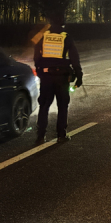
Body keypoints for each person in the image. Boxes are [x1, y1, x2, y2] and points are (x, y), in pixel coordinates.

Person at [33, 13, 83, 144]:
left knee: (44, 106)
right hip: (62, 77)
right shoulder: (66, 37)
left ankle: (40, 136)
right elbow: (75, 59)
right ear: (62, 22)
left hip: (46, 77)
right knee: (62, 106)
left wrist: (40, 71)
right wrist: (79, 76)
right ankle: (61, 135)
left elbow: (36, 57)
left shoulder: (43, 36)